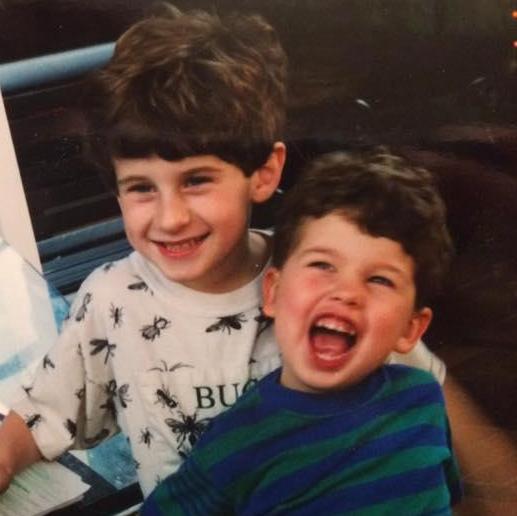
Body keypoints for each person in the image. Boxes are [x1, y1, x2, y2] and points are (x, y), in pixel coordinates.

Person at [0, 5, 444, 498]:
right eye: (142, 188)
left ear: (264, 173)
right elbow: (46, 411)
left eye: (196, 180)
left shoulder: (322, 280)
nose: (170, 218)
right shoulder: (111, 300)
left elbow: (425, 396)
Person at [141, 150, 461, 515]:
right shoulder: (236, 441)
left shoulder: (422, 399)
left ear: (410, 328)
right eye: (323, 265)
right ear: (274, 292)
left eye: (380, 279)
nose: (347, 292)